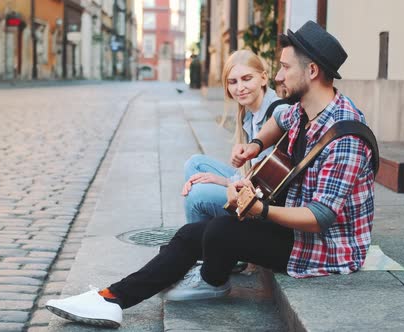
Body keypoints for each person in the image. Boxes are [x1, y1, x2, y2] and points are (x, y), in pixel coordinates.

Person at [45, 21, 375, 329]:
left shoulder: (345, 136)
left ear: (312, 70)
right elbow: (280, 121)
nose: (278, 76)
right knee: (191, 234)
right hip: (294, 224)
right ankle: (111, 298)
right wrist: (256, 145)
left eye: (285, 67)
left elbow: (320, 217)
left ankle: (212, 281)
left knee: (220, 231)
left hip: (325, 246)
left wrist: (259, 209)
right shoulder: (304, 108)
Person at [182, 49, 287, 224]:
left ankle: (200, 242)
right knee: (194, 164)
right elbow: (253, 172)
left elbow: (287, 115)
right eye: (232, 82)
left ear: (263, 78)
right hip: (251, 183)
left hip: (263, 201)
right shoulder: (248, 114)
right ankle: (211, 236)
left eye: (247, 79)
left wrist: (225, 182)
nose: (239, 88)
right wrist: (225, 181)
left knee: (196, 195)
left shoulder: (277, 111)